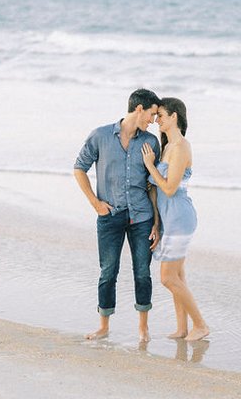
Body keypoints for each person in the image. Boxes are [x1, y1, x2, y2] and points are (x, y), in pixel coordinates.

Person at [74, 89, 161, 343]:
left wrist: (157, 222)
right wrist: (95, 203)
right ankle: (103, 326)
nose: (153, 121)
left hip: (142, 217)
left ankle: (143, 328)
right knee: (108, 271)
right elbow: (79, 168)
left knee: (142, 272)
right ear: (139, 109)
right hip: (109, 215)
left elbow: (152, 186)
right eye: (152, 114)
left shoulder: (150, 142)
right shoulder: (100, 136)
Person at [141, 97, 209, 341]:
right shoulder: (168, 146)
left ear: (174, 117)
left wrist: (150, 166)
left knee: (167, 278)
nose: (156, 119)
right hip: (170, 218)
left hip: (180, 216)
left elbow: (169, 189)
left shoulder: (180, 147)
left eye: (161, 115)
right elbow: (159, 193)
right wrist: (157, 223)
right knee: (178, 276)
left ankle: (200, 325)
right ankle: (182, 328)